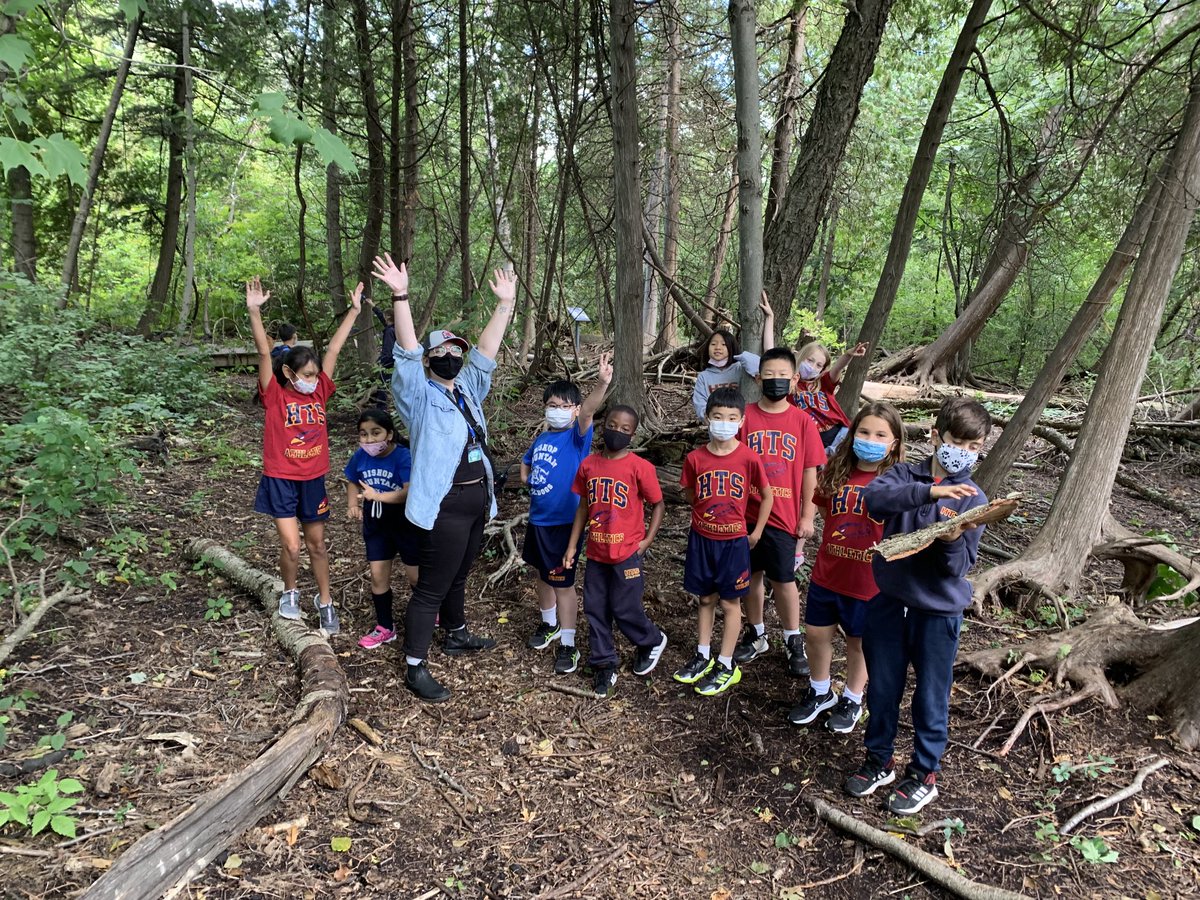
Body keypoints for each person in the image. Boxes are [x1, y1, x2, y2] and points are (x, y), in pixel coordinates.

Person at [372, 252, 516, 703]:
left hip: (477, 500)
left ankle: (456, 632)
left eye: (457, 351)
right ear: (430, 359)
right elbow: (407, 349)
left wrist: (505, 305)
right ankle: (415, 665)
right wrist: (401, 295)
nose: (452, 357)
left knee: (459, 576)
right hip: (444, 504)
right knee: (432, 585)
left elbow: (488, 353)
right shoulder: (417, 393)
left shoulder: (469, 389)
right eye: (443, 352)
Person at [844, 397, 991, 815]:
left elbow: (961, 566)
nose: (962, 451)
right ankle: (879, 761)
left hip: (937, 613)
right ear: (935, 436)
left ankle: (924, 773)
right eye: (956, 441)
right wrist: (929, 491)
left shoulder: (974, 497)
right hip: (889, 603)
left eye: (973, 445)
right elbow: (875, 502)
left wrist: (951, 539)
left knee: (931, 695)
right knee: (884, 686)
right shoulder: (904, 475)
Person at [247, 277, 361, 634]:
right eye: (307, 375)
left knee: (317, 545)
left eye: (316, 374)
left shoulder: (319, 393)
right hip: (281, 478)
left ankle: (324, 600)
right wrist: (254, 311)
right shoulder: (275, 396)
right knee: (292, 547)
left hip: (313, 478)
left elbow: (334, 352)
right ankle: (290, 593)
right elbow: (265, 352)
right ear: (289, 374)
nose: (314, 379)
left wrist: (354, 311)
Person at [787, 401, 904, 733]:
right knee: (816, 634)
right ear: (853, 434)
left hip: (869, 582)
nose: (871, 438)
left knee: (858, 641)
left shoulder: (897, 481)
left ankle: (852, 698)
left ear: (893, 442)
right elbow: (826, 511)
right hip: (829, 573)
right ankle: (820, 690)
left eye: (881, 434)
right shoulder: (836, 470)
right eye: (864, 431)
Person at [732, 347, 826, 677]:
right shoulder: (743, 417)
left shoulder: (802, 422)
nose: (775, 381)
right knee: (751, 577)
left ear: (795, 379)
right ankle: (756, 633)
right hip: (746, 514)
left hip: (784, 517)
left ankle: (792, 638)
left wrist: (806, 516)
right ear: (758, 378)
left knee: (784, 580)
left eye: (782, 376)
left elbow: (809, 472)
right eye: (768, 375)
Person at [673, 387, 773, 696]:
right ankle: (703, 654)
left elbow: (767, 495)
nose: (724, 423)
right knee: (705, 598)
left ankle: (726, 663)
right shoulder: (695, 458)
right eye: (717, 416)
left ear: (741, 421)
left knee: (730, 602)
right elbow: (690, 493)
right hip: (703, 540)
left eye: (731, 418)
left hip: (734, 543)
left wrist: (755, 533)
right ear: (707, 418)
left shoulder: (748, 458)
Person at [563, 405, 668, 699]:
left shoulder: (639, 467)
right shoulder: (589, 466)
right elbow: (583, 507)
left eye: (625, 429)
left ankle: (652, 639)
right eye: (612, 425)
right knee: (595, 608)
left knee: (624, 607)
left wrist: (646, 541)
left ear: (633, 435)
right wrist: (573, 545)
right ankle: (604, 664)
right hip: (596, 552)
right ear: (603, 424)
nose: (617, 431)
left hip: (627, 553)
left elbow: (657, 504)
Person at [520, 352, 613, 676]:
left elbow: (589, 410)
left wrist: (601, 383)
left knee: (563, 583)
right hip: (538, 521)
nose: (557, 412)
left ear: (573, 410)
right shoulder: (543, 438)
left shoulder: (577, 437)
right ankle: (549, 625)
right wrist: (524, 475)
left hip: (564, 524)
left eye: (564, 407)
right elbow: (526, 460)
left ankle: (569, 643)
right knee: (542, 575)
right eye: (552, 406)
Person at [344, 409, 419, 649]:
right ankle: (385, 626)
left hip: (405, 522)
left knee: (416, 575)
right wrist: (353, 503)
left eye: (376, 433)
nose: (369, 440)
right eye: (363, 434)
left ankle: (429, 613)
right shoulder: (360, 456)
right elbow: (351, 479)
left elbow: (409, 491)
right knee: (377, 576)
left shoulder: (403, 456)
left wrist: (378, 496)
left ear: (389, 433)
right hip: (376, 525)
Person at [690, 296, 775, 422]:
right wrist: (710, 419)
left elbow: (766, 367)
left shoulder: (740, 368)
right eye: (713, 344)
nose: (718, 347)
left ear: (732, 347)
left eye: (724, 344)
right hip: (717, 426)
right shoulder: (704, 377)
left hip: (744, 422)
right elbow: (699, 403)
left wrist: (746, 357)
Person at [792, 340, 869, 451]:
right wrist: (769, 321)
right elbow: (770, 353)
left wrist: (848, 355)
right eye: (809, 360)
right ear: (801, 356)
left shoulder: (823, 383)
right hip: (815, 444)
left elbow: (837, 368)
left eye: (819, 365)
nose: (812, 367)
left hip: (840, 434)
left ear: (822, 370)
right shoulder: (789, 384)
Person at [364, 298, 396, 407]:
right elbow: (381, 316)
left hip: (389, 362)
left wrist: (383, 362)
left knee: (382, 384)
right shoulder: (395, 327)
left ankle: (381, 408)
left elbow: (388, 349)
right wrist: (372, 305)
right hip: (395, 361)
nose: (384, 317)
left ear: (388, 317)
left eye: (385, 315)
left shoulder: (390, 331)